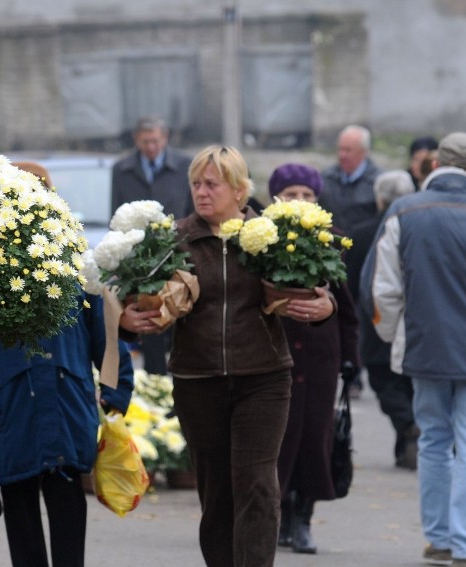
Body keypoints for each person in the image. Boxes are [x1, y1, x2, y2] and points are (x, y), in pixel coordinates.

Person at [123, 145, 335, 567]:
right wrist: (126, 318)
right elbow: (131, 296)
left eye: (211, 184)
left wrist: (325, 307)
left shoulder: (275, 236)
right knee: (217, 489)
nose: (201, 192)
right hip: (197, 379)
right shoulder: (174, 238)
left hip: (264, 378)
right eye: (196, 184)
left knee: (257, 484)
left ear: (240, 191)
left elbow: (320, 286)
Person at [0, 161, 135, 567]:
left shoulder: (76, 268)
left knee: (68, 506)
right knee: (20, 511)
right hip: (11, 407)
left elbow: (108, 337)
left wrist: (116, 391)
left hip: (66, 403)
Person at [361, 131, 466, 567]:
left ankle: (440, 537)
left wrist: (394, 336)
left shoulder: (405, 210)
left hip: (425, 344)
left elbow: (381, 290)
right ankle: (464, 540)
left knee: (433, 440)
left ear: (433, 164)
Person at [266, 164, 360, 554]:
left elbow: (348, 308)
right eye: (291, 195)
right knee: (279, 438)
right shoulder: (263, 242)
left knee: (315, 437)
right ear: (276, 200)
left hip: (321, 355)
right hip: (276, 352)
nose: (300, 202)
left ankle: (303, 518)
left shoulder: (333, 241)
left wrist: (351, 360)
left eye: (307, 195)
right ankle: (280, 512)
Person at [345, 170, 418, 470]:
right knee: (409, 384)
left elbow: (348, 284)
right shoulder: (417, 228)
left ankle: (409, 429)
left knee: (385, 382)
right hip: (415, 321)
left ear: (379, 198)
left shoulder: (362, 233)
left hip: (374, 321)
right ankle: (407, 441)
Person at [110, 116, 193, 376]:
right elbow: (116, 211)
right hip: (140, 256)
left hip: (176, 250)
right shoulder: (122, 169)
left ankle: (182, 376)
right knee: (149, 315)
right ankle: (154, 380)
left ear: (165, 138)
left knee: (181, 312)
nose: (151, 147)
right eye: (146, 142)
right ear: (136, 140)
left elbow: (192, 207)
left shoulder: (184, 166)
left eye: (155, 141)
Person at [319, 124, 382, 397]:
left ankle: (356, 371)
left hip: (365, 259)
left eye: (349, 150)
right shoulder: (327, 178)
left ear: (364, 153)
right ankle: (341, 366)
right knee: (336, 311)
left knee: (359, 314)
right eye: (340, 149)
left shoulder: (377, 180)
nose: (343, 155)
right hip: (332, 257)